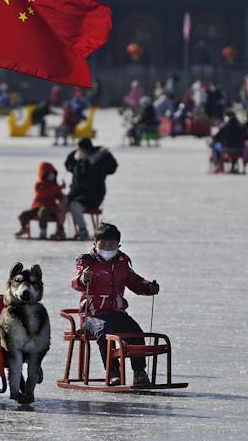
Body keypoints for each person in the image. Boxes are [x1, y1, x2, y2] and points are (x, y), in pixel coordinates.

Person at [71, 223, 159, 386]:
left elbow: (134, 281)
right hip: (93, 314)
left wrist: (148, 287)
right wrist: (84, 279)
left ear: (118, 246)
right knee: (105, 333)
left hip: (117, 312)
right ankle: (113, 372)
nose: (106, 248)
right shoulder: (87, 262)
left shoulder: (122, 263)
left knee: (135, 333)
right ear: (95, 244)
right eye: (102, 244)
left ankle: (139, 372)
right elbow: (76, 283)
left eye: (110, 245)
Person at [64, 138, 118, 240]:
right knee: (62, 202)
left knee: (74, 205)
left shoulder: (99, 160)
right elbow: (68, 165)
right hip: (75, 194)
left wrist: (104, 154)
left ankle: (83, 230)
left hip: (93, 196)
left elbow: (112, 167)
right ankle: (60, 229)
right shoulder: (77, 159)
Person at [15, 161, 66, 239]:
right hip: (36, 207)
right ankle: (24, 228)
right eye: (49, 174)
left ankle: (43, 231)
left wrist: (62, 195)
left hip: (51, 209)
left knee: (44, 211)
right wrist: (59, 188)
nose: (51, 176)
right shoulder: (39, 185)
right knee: (23, 215)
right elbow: (45, 192)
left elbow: (59, 196)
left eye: (52, 173)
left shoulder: (55, 185)